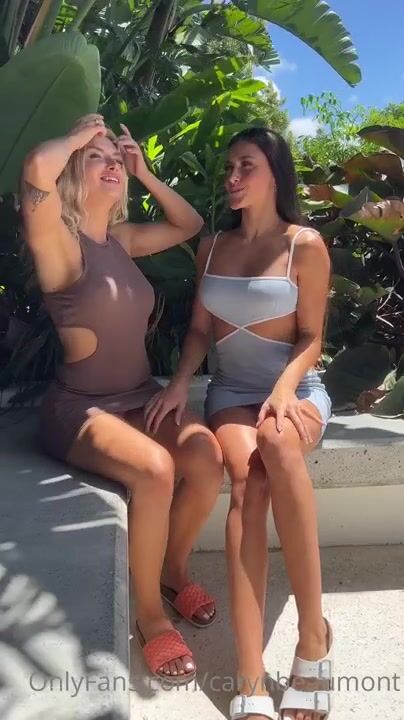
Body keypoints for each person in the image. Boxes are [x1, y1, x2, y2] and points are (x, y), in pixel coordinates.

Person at [21, 114, 224, 685]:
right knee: (156, 470)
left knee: (206, 457)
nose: (111, 163)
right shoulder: (59, 243)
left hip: (139, 398)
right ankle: (150, 615)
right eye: (96, 158)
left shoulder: (123, 241)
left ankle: (172, 571)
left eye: (116, 158)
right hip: (80, 408)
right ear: (72, 174)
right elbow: (35, 169)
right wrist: (77, 136)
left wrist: (144, 171)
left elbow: (190, 224)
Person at [145, 127, 334, 719]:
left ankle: (312, 635)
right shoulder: (213, 248)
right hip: (231, 392)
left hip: (296, 389)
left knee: (277, 444)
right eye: (228, 167)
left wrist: (284, 388)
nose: (231, 177)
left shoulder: (305, 245)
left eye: (245, 166)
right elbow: (200, 331)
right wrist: (181, 381)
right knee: (247, 485)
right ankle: (250, 675)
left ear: (275, 173)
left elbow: (312, 337)